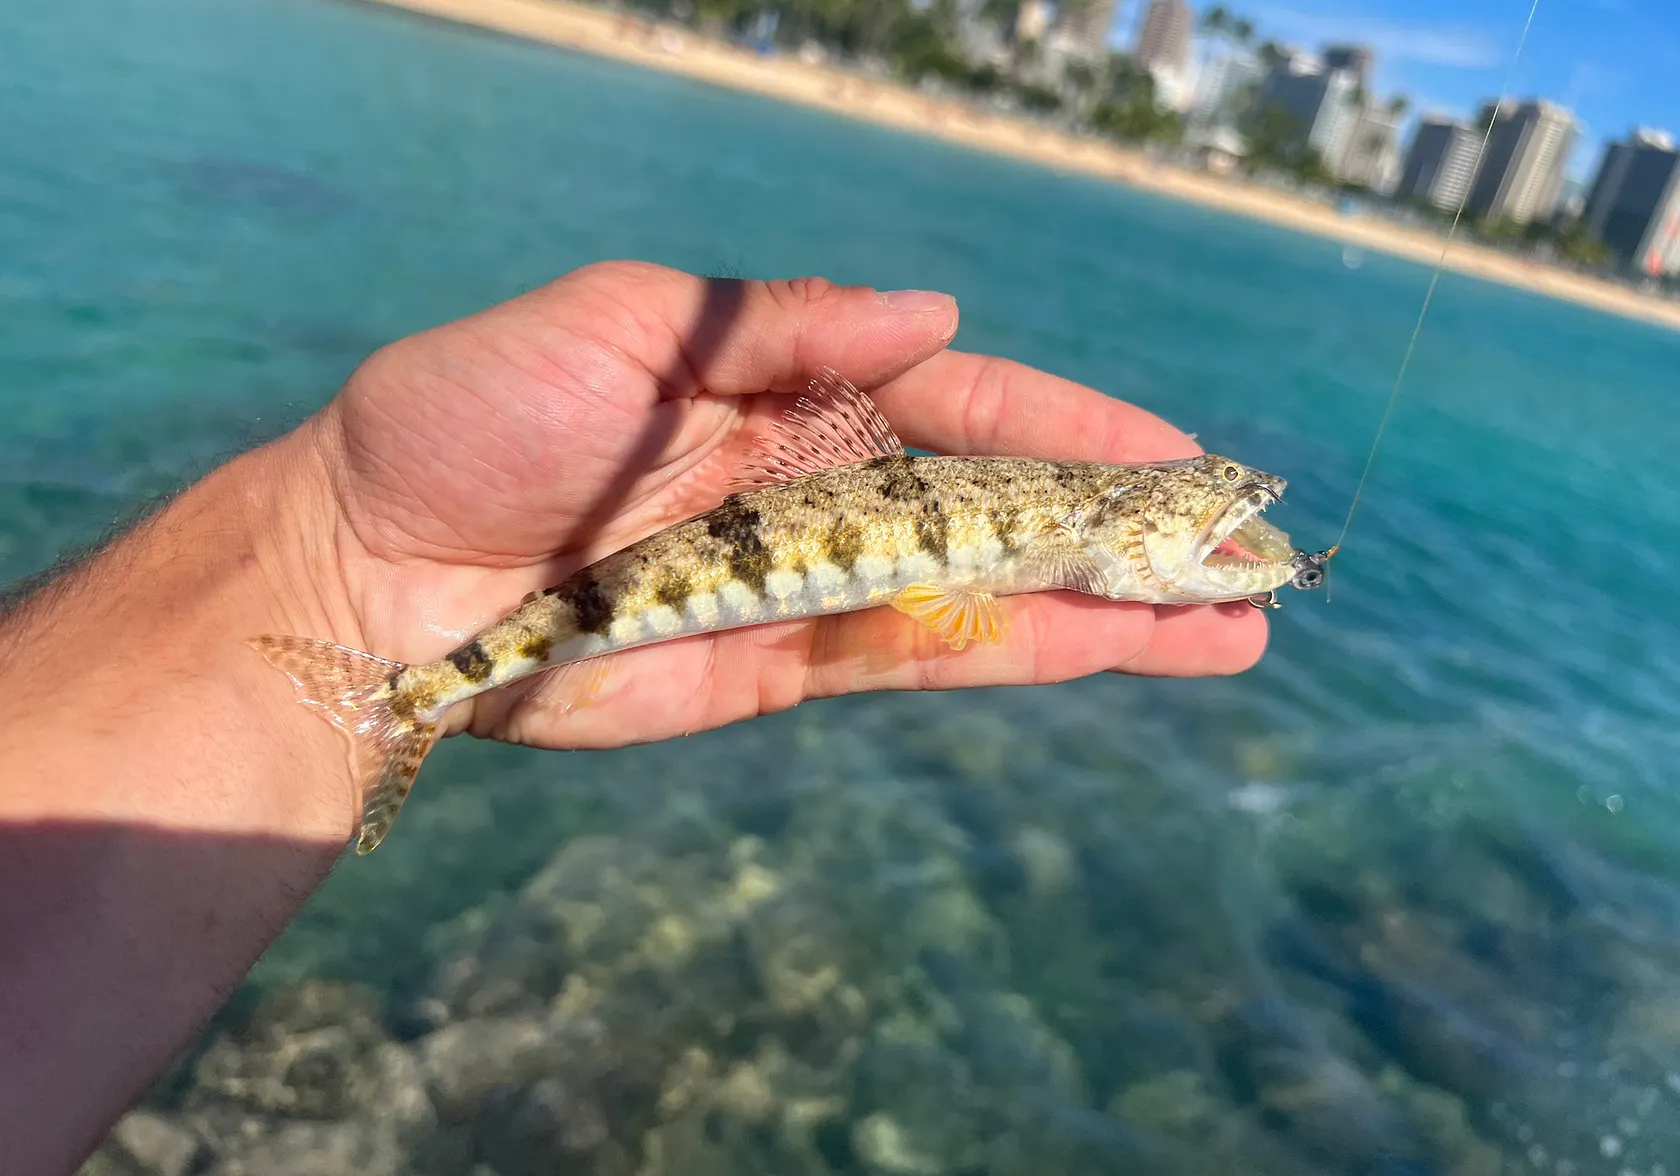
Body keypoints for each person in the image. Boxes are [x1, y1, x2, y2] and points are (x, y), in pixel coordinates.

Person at [0, 260, 1268, 1174]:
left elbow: (962, 591)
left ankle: (401, 696)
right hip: (723, 562)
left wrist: (321, 544)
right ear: (1131, 524)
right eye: (1216, 501)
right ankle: (405, 699)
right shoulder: (1071, 523)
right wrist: (332, 544)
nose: (1236, 520)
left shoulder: (1086, 528)